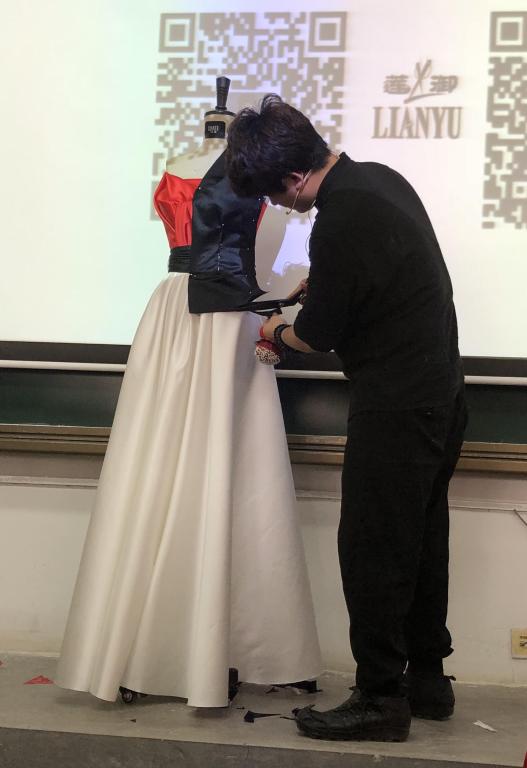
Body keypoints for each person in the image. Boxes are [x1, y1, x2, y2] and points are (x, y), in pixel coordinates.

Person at [55, 83, 322, 709]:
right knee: (181, 465)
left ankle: (222, 645)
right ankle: (166, 646)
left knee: (231, 468)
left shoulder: (203, 166)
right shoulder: (191, 165)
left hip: (207, 320)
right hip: (202, 317)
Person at [226, 94, 467, 742]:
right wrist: (324, 282)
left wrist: (277, 330)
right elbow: (378, 279)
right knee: (420, 544)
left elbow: (318, 334)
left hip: (396, 403)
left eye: (276, 196)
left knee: (372, 551)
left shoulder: (340, 217)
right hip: (441, 394)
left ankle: (380, 699)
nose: (282, 207)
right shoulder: (377, 180)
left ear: (291, 176)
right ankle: (427, 681)